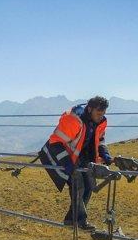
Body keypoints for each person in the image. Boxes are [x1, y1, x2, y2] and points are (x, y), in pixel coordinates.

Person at [39, 96, 112, 230]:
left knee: (89, 186)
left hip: (83, 158)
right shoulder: (74, 121)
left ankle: (70, 220)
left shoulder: (100, 122)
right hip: (66, 157)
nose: (101, 117)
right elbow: (55, 143)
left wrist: (104, 154)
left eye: (103, 114)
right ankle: (80, 221)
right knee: (78, 186)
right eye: (98, 114)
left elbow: (100, 140)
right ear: (89, 109)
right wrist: (67, 162)